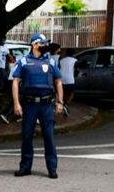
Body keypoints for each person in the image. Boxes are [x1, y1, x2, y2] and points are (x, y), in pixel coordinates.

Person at [12, 33, 64, 179]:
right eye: (42, 43)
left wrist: (60, 102)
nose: (45, 46)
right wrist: (16, 103)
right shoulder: (23, 61)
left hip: (47, 105)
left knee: (49, 137)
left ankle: (52, 168)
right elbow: (15, 82)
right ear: (34, 45)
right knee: (27, 136)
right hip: (29, 105)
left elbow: (58, 81)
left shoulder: (51, 62)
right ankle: (25, 167)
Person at [58, 48, 77, 117]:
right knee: (71, 94)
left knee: (63, 94)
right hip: (70, 80)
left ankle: (64, 104)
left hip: (61, 80)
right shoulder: (75, 61)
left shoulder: (61, 60)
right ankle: (65, 105)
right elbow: (76, 70)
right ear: (73, 54)